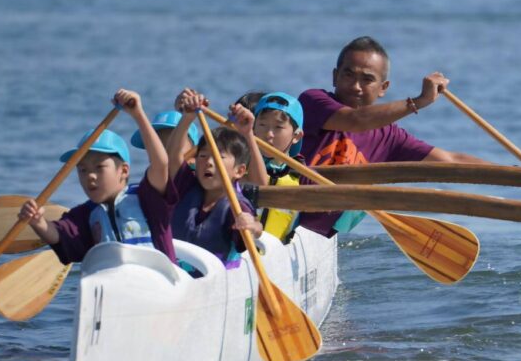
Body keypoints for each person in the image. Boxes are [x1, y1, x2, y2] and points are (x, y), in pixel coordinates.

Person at [295, 35, 489, 238]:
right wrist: (418, 101)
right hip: (286, 214)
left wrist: (518, 173)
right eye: (348, 75)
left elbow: (450, 161)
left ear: (383, 88)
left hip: (314, 234)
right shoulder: (313, 102)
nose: (356, 86)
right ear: (335, 76)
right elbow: (356, 120)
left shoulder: (389, 137)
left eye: (367, 79)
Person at [17, 89, 177, 264]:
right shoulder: (84, 214)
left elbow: (161, 163)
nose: (90, 176)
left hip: (161, 281)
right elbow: (58, 235)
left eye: (99, 167)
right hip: (114, 284)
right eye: (82, 170)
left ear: (123, 171)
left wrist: (138, 114)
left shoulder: (147, 196)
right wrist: (37, 221)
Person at [168, 89, 263, 268]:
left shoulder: (237, 206)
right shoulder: (186, 185)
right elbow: (173, 158)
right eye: (203, 156)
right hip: (176, 277)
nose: (209, 163)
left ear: (240, 171)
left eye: (219, 157)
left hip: (214, 281)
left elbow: (254, 230)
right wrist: (187, 118)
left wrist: (253, 227)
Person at [250, 92, 305, 242]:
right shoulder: (240, 167)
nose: (268, 134)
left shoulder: (303, 177)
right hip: (242, 255)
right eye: (262, 125)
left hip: (277, 253)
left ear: (296, 136)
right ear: (253, 128)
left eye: (278, 127)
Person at [130, 109, 200, 155]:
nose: (164, 155)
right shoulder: (151, 176)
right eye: (157, 147)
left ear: (194, 151)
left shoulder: (199, 176)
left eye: (174, 145)